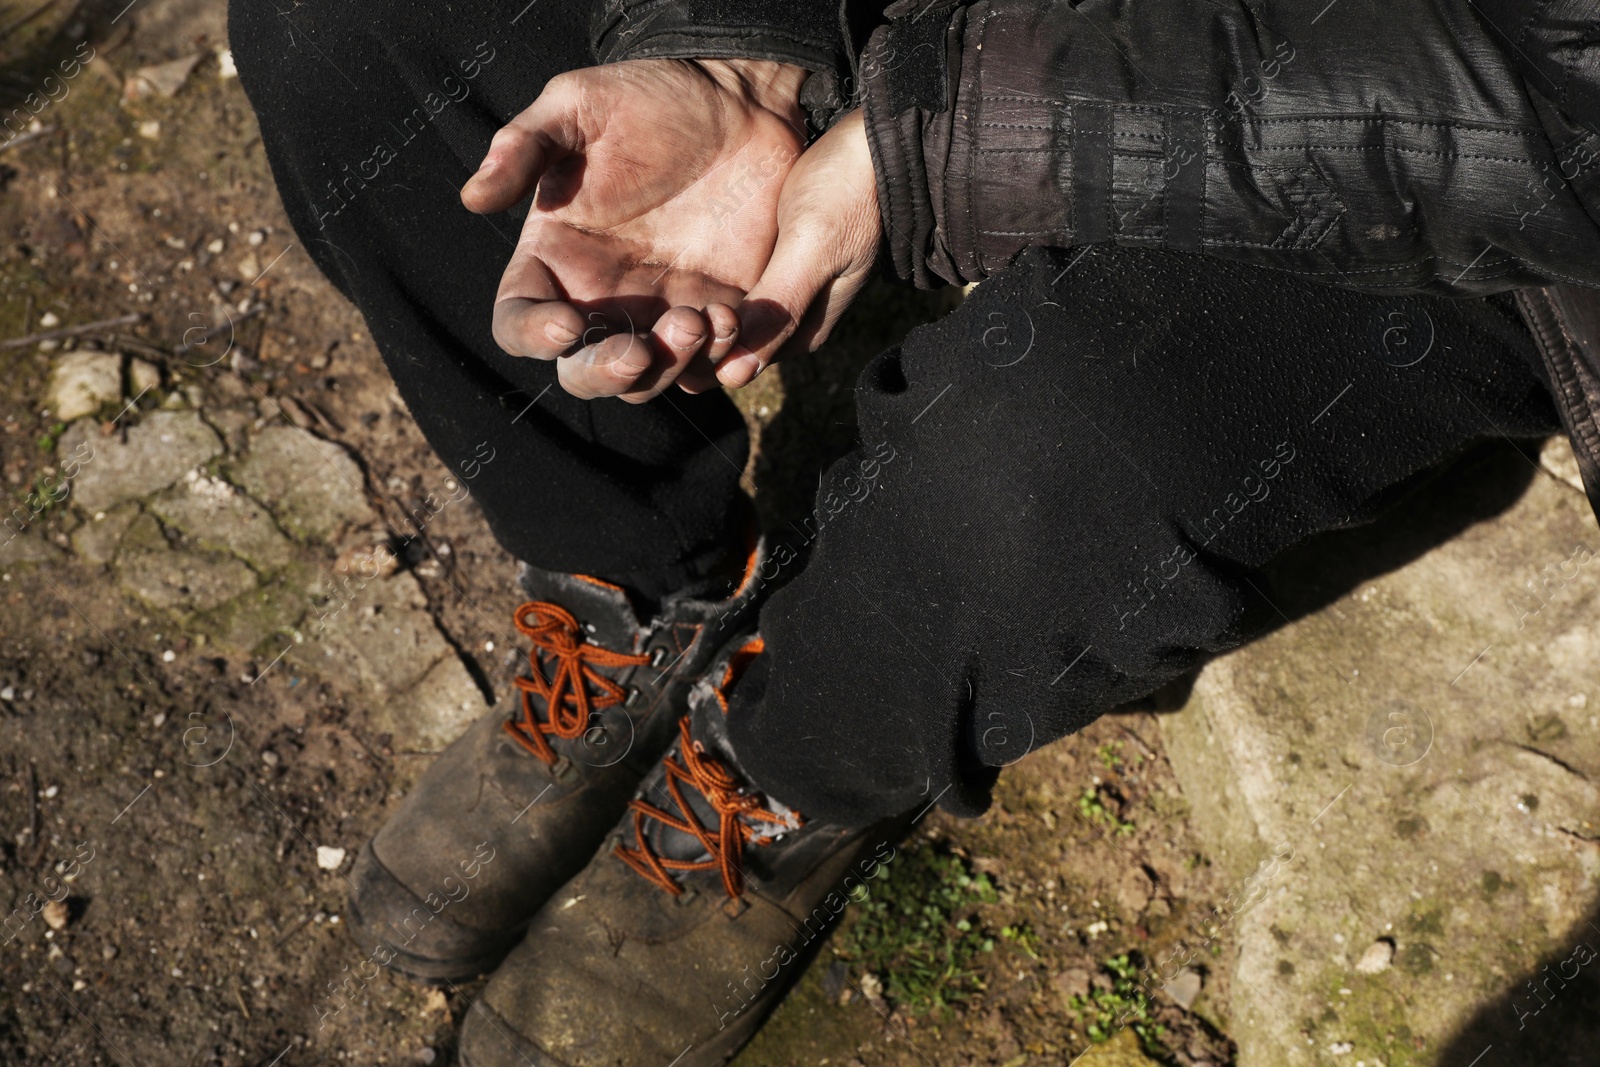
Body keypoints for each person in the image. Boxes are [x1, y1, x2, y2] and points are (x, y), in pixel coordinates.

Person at [230, 0, 1600, 1062]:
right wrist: (728, 55)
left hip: (1469, 158)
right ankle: (631, 589)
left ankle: (780, 771)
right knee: (341, 28)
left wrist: (940, 138)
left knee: (1042, 454)